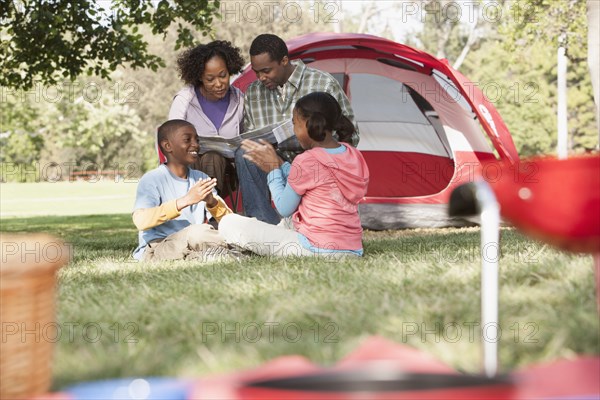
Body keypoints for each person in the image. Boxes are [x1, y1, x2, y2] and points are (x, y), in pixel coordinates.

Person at [220, 92, 369, 258]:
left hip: (314, 248)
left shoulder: (306, 160)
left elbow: (284, 208)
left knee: (229, 223)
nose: (294, 130)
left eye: (295, 124)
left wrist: (273, 171)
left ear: (310, 124)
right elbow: (319, 180)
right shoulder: (353, 154)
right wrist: (281, 164)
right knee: (292, 220)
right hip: (352, 249)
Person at [236, 33, 359, 225]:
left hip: (317, 165)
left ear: (284, 61)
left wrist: (311, 145)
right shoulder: (253, 92)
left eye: (266, 71)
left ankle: (309, 222)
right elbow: (254, 138)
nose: (261, 78)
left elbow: (350, 135)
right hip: (276, 163)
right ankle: (263, 224)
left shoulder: (322, 83)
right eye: (256, 72)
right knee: (245, 153)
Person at [132, 119, 233, 261]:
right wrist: (185, 201)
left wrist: (211, 202)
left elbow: (228, 221)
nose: (195, 145)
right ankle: (232, 250)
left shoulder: (201, 178)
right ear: (168, 146)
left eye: (197, 140)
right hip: (158, 247)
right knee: (197, 232)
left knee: (233, 228)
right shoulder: (152, 179)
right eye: (188, 140)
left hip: (192, 243)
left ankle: (214, 255)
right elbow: (140, 221)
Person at [169, 40, 245, 196]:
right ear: (199, 78)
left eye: (223, 76)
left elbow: (246, 138)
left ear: (230, 70)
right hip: (189, 169)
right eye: (210, 79)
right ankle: (209, 210)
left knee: (213, 158)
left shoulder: (239, 99)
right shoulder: (185, 100)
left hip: (226, 173)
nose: (219, 84)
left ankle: (209, 209)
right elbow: (171, 139)